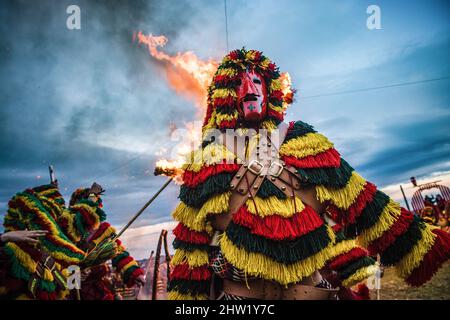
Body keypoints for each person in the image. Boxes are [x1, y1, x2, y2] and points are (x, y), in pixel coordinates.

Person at [167, 49, 450, 300]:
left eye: (256, 81)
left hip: (312, 291)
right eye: (238, 82)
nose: (248, 88)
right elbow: (191, 247)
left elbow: (361, 199)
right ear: (226, 94)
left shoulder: (304, 141)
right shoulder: (205, 159)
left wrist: (423, 244)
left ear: (270, 92)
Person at [57, 183, 145, 300]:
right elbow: (57, 259)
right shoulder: (64, 230)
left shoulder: (103, 231)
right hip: (69, 289)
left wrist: (134, 273)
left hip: (97, 287)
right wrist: (74, 273)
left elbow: (119, 253)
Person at [0, 184, 86, 299]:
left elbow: (67, 290)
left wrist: (78, 272)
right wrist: (4, 237)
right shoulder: (12, 250)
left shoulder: (53, 256)